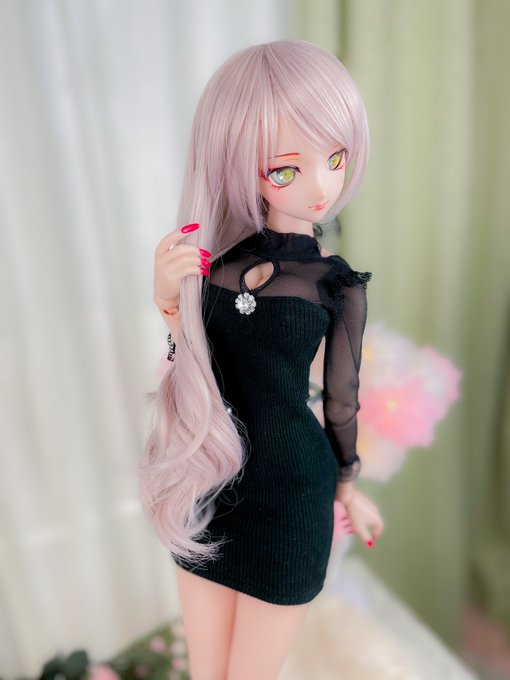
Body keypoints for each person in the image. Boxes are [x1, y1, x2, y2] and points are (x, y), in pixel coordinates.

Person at [140, 39, 385, 680]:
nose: (322, 184)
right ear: (235, 164)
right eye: (286, 169)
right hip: (210, 479)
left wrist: (347, 484)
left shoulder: (335, 284)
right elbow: (193, 366)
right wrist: (169, 302)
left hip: (292, 496)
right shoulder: (213, 263)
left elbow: (341, 401)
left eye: (336, 158)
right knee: (206, 670)